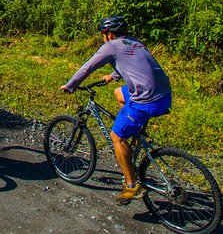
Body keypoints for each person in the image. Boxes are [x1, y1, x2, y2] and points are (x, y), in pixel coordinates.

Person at [60, 16, 172, 205]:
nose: (103, 38)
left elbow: (88, 66)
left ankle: (132, 185)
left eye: (103, 35)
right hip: (164, 95)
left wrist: (70, 85)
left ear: (109, 34)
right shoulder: (135, 43)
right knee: (119, 93)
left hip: (146, 100)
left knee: (116, 137)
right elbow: (135, 65)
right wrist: (112, 76)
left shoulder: (110, 46)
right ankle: (134, 130)